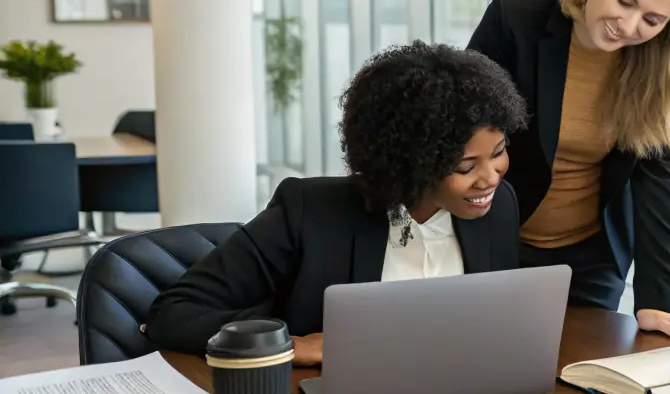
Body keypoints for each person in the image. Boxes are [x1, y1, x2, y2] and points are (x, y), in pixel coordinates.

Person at [147, 43, 528, 364]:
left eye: (498, 152)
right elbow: (174, 314)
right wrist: (292, 345)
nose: (492, 176)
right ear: (412, 162)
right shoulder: (310, 214)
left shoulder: (498, 207)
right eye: (466, 166)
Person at [467, 0, 670, 342]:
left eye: (653, 20)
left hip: (591, 258)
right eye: (625, 0)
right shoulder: (516, 15)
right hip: (493, 237)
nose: (629, 26)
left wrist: (655, 300)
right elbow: (461, 134)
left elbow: (660, 178)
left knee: (575, 384)